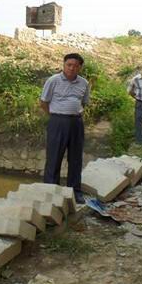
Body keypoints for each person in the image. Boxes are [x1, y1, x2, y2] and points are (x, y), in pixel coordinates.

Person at [40, 53, 90, 205]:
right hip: (57, 121)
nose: (71, 68)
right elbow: (44, 102)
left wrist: (73, 113)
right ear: (64, 65)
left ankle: (75, 192)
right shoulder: (53, 80)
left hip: (76, 123)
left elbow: (84, 102)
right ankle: (50, 192)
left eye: (75, 66)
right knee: (54, 158)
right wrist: (56, 116)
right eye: (69, 65)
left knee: (75, 159)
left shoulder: (84, 83)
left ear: (80, 67)